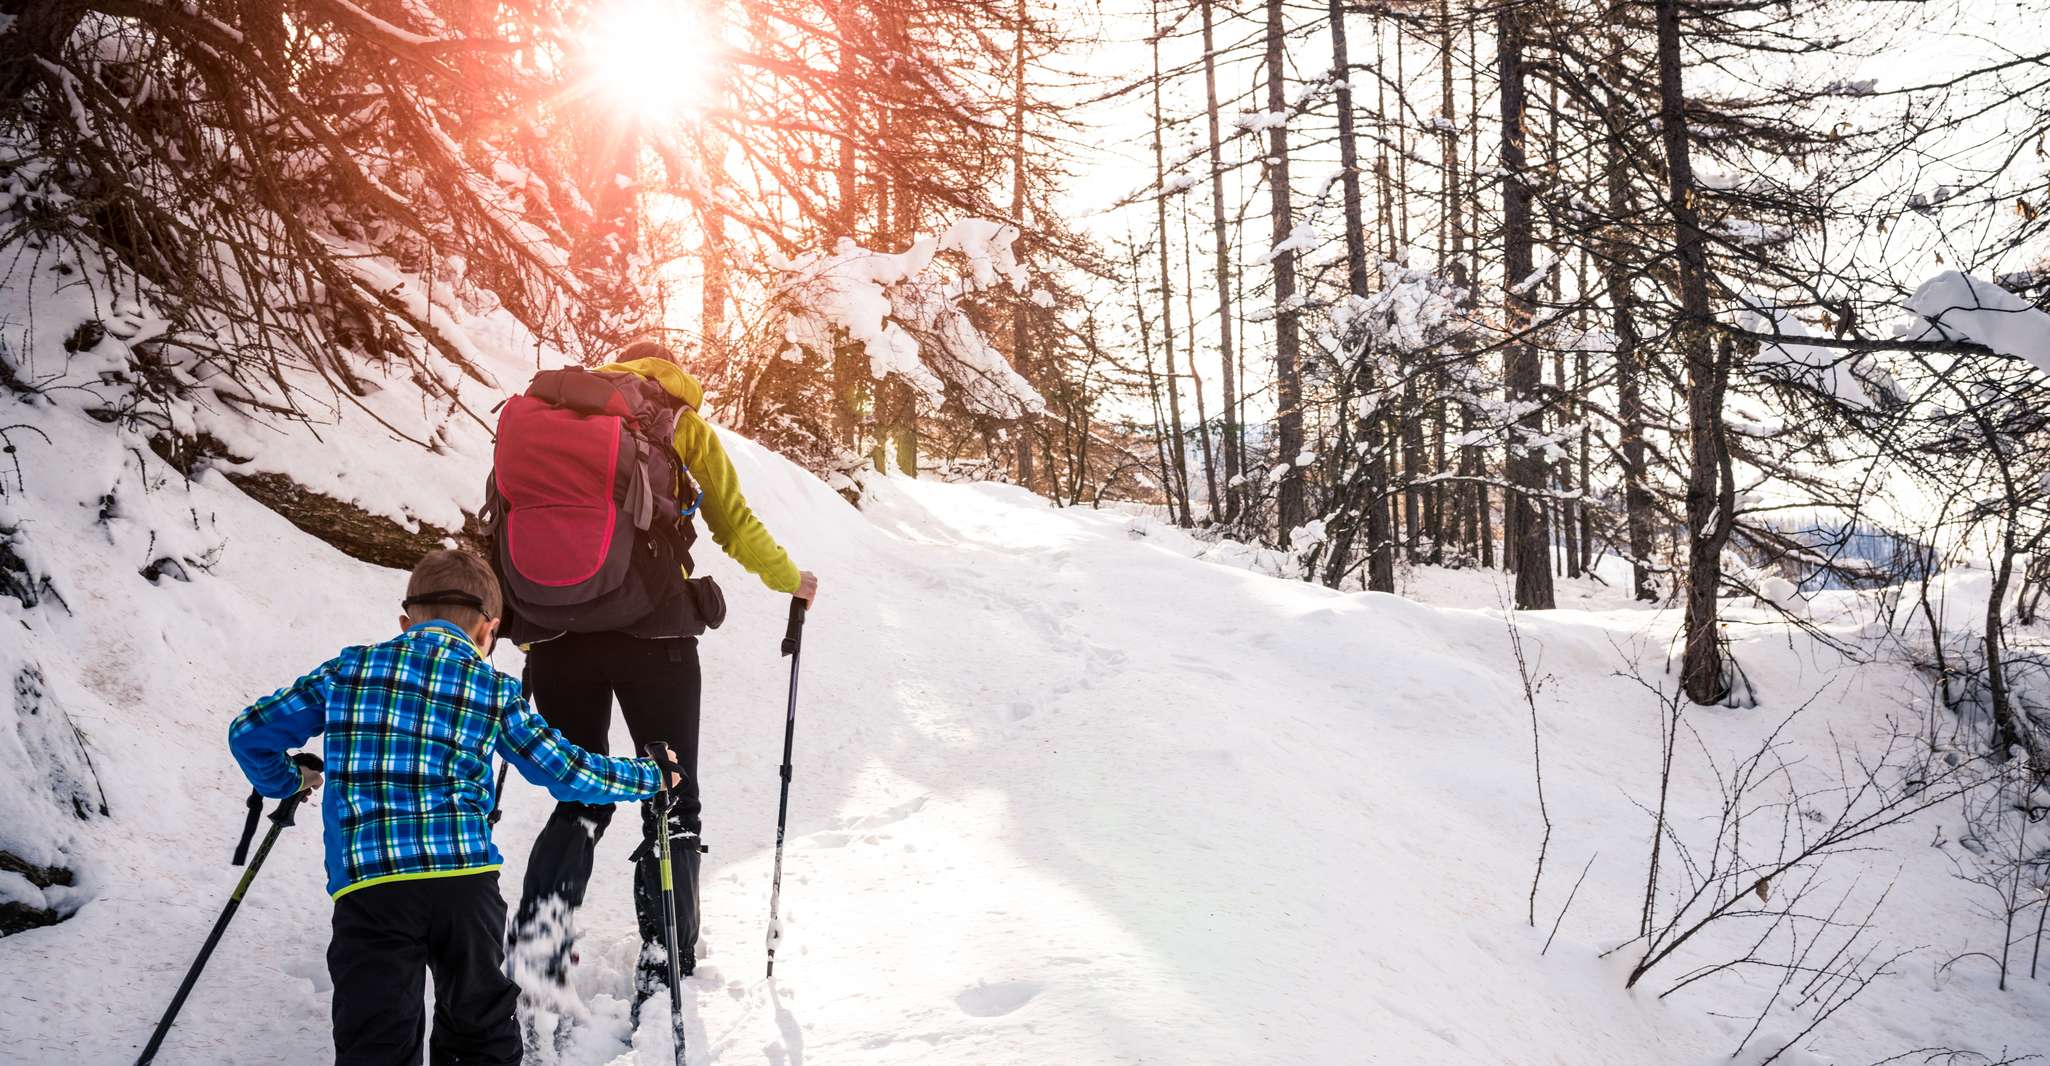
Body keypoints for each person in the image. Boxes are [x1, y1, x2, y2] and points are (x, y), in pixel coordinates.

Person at [226, 549, 681, 1066]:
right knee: (479, 1030)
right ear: (489, 630)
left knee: (375, 1038)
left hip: (372, 890)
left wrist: (287, 778)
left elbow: (249, 733)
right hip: (464, 884)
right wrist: (650, 776)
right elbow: (567, 772)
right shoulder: (492, 688)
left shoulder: (347, 671)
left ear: (405, 621)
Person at [503, 339, 818, 1004]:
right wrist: (792, 579)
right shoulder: (678, 422)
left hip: (558, 633)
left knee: (580, 793)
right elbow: (735, 525)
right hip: (658, 635)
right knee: (672, 796)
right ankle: (666, 954)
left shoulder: (544, 416)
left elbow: (503, 519)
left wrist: (523, 626)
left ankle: (539, 946)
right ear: (668, 371)